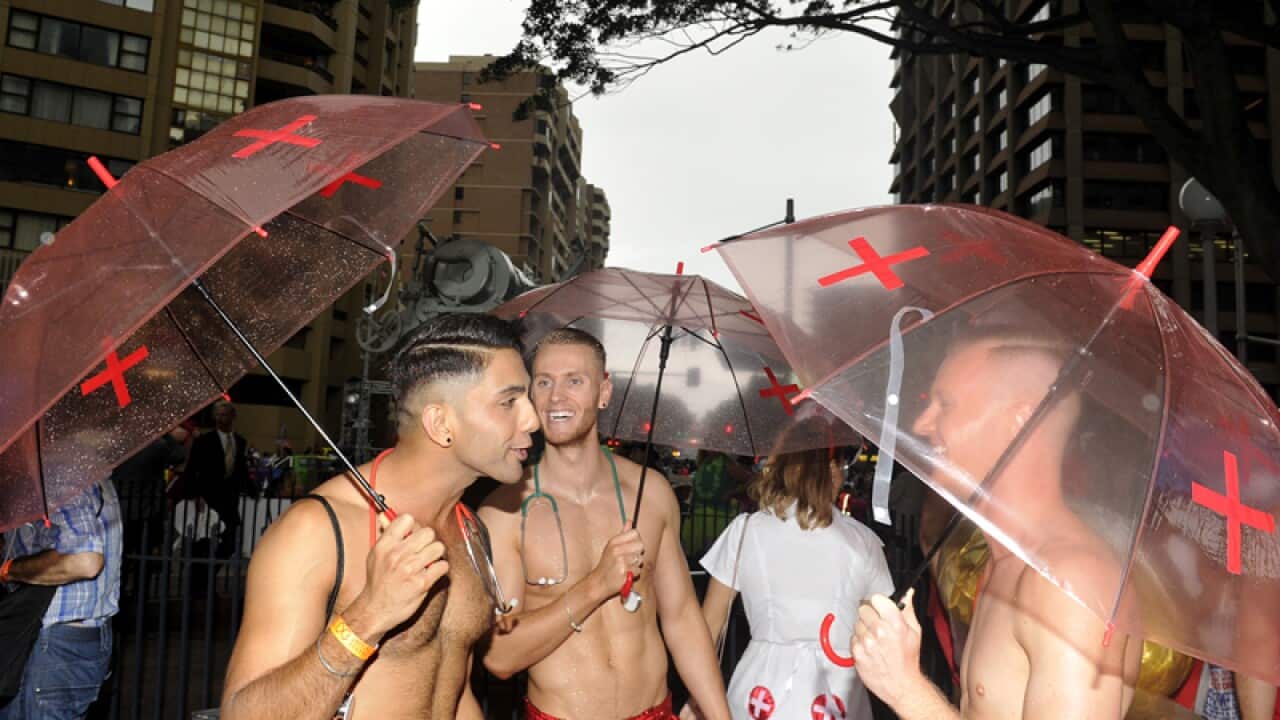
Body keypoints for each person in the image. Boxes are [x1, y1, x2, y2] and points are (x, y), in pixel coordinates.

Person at [219, 314, 539, 719]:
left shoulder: (469, 529)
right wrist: (367, 616)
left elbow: (452, 692)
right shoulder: (314, 531)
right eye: (509, 402)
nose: (533, 419)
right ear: (441, 423)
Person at [851, 327, 1143, 719]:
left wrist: (906, 689)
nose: (922, 424)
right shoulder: (1006, 563)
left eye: (945, 404)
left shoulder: (1069, 582)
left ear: (1019, 421)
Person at [479, 327, 731, 720]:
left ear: (604, 391)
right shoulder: (505, 513)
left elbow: (682, 618)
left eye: (574, 381)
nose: (556, 397)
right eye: (543, 382)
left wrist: (720, 716)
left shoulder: (651, 493)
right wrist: (596, 585)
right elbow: (500, 657)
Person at [694, 418, 893, 720]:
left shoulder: (745, 531)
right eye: (841, 465)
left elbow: (708, 627)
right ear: (831, 469)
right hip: (837, 697)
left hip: (759, 694)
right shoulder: (864, 542)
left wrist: (699, 700)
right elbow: (880, 634)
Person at [0, 478, 123, 719]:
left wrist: (8, 570)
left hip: (53, 640)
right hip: (85, 636)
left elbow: (86, 561)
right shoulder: (92, 475)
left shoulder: (56, 476)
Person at [179, 400, 253, 556]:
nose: (220, 419)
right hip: (208, 497)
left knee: (231, 538)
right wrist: (194, 495)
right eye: (218, 415)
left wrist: (251, 489)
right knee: (205, 538)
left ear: (233, 417)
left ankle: (211, 570)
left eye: (224, 415)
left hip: (230, 498)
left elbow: (241, 468)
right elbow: (192, 469)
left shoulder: (240, 441)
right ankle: (200, 573)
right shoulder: (204, 441)